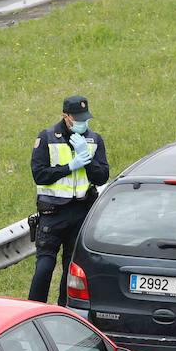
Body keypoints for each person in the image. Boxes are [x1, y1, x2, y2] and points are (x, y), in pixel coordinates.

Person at [28, 95, 109, 305]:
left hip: (81, 212)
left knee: (71, 268)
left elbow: (102, 176)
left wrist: (87, 160)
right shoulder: (47, 138)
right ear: (66, 117)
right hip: (53, 213)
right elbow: (40, 175)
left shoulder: (93, 140)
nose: (83, 123)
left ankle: (63, 311)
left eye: (85, 118)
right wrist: (70, 166)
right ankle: (32, 310)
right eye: (78, 118)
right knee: (44, 267)